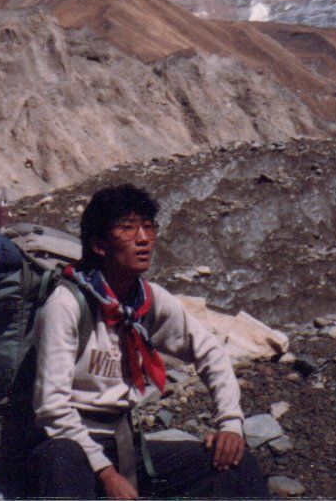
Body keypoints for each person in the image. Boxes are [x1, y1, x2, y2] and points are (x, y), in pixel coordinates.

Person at [27, 184, 268, 499]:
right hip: (64, 448)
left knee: (235, 465)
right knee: (64, 460)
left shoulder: (146, 300)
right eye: (127, 229)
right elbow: (52, 408)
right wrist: (107, 474)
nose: (143, 239)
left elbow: (210, 352)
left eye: (148, 228)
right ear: (99, 244)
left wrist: (231, 424)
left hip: (122, 445)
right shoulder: (67, 304)